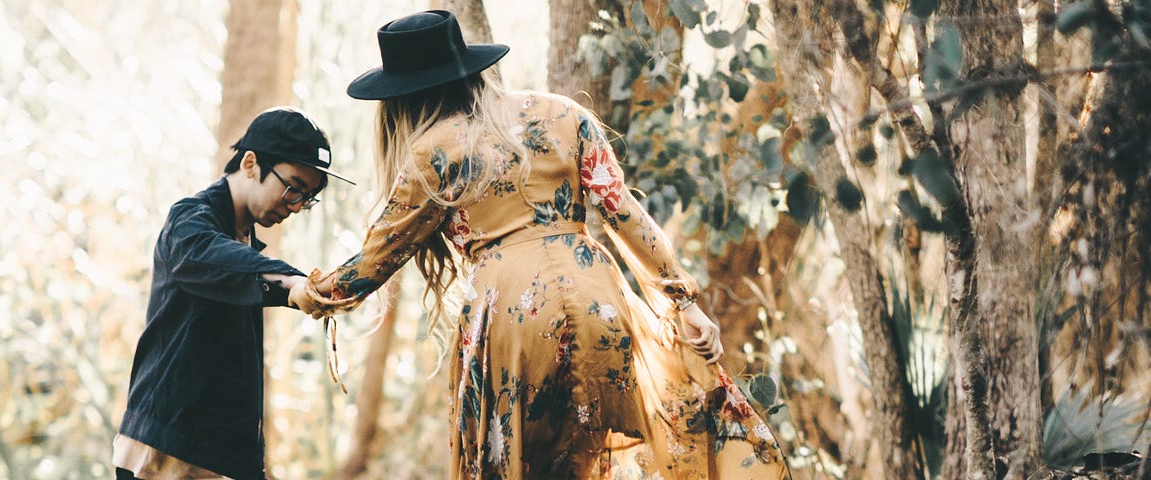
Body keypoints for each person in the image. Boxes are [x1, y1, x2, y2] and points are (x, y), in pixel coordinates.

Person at [289, 11, 786, 479]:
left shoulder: (430, 154)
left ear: (402, 97)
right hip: (600, 298)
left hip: (514, 320)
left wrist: (306, 292)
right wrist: (685, 303)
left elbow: (370, 265)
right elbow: (625, 215)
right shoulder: (563, 114)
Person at [116, 107, 354, 480]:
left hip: (218, 452)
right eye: (292, 187)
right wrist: (292, 282)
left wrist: (299, 290)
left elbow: (250, 278)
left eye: (307, 197)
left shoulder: (244, 243)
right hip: (167, 451)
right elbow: (211, 258)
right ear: (250, 163)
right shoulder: (190, 221)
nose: (295, 206)